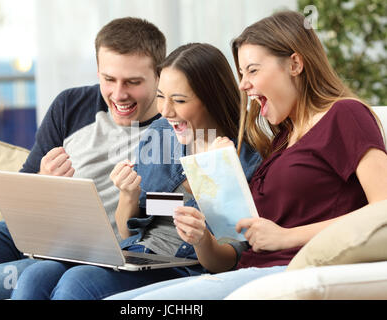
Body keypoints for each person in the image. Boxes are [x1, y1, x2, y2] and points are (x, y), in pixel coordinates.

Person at [107, 10, 387, 300]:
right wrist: (205, 227)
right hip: (243, 271)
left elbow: (384, 210)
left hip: (286, 272)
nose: (242, 85)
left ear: (295, 64)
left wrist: (286, 236)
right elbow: (226, 257)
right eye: (241, 74)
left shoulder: (345, 115)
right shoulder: (282, 139)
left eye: (252, 71)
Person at [0, 17, 166, 300]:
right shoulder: (70, 105)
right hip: (20, 232)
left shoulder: (171, 129)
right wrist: (43, 182)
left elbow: (160, 218)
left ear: (159, 75)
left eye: (133, 82)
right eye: (109, 79)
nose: (119, 94)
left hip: (77, 256)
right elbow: (21, 192)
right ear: (98, 71)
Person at [9, 43, 261, 300]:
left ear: (211, 99)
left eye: (180, 100)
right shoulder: (163, 133)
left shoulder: (245, 160)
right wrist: (129, 195)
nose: (165, 111)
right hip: (136, 253)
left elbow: (227, 260)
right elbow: (129, 228)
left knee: (78, 283)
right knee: (34, 277)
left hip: (183, 267)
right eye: (161, 96)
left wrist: (201, 236)